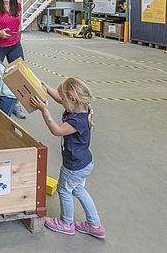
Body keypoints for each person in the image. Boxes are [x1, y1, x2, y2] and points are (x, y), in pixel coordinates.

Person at [30, 78, 106, 239]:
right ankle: (95, 225)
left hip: (74, 166)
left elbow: (57, 130)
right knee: (79, 190)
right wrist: (43, 85)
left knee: (64, 190)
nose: (61, 102)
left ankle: (66, 223)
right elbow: (59, 97)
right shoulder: (80, 107)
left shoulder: (77, 121)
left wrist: (44, 111)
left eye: (64, 99)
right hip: (85, 162)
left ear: (72, 97)